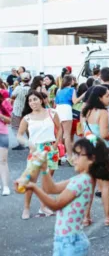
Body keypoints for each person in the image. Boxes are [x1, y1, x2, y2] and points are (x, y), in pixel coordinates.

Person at [18, 136, 109, 256]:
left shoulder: (82, 181)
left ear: (92, 159)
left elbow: (56, 204)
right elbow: (50, 188)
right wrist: (44, 169)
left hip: (71, 243)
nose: (73, 159)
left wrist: (33, 188)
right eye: (74, 154)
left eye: (78, 155)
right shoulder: (81, 179)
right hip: (67, 240)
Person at [17, 91, 63, 219]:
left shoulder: (52, 113)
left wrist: (56, 144)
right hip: (35, 150)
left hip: (51, 148)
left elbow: (60, 129)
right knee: (31, 180)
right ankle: (26, 208)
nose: (32, 103)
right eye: (30, 101)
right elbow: (19, 135)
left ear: (41, 100)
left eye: (35, 99)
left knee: (47, 180)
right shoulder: (27, 118)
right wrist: (28, 143)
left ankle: (43, 206)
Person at [81, 85, 109, 227]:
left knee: (89, 185)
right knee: (105, 185)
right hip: (100, 150)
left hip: (86, 151)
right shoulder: (102, 112)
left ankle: (86, 217)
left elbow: (83, 132)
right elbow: (104, 134)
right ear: (99, 98)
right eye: (106, 96)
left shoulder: (85, 111)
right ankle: (108, 217)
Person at [55, 75, 85, 165]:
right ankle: (69, 156)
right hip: (66, 109)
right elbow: (75, 101)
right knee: (67, 134)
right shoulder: (72, 90)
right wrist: (83, 95)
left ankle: (60, 155)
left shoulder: (59, 90)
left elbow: (55, 102)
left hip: (58, 109)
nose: (74, 81)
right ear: (70, 81)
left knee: (60, 133)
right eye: (73, 80)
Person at [11, 73, 32, 150]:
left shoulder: (18, 88)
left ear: (21, 79)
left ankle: (21, 143)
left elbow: (12, 96)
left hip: (17, 110)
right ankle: (30, 142)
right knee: (28, 127)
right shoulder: (31, 88)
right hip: (27, 110)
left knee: (15, 127)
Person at [0, 89, 12, 195]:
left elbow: (9, 120)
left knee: (3, 160)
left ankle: (5, 186)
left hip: (2, 133)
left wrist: (1, 116)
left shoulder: (4, 102)